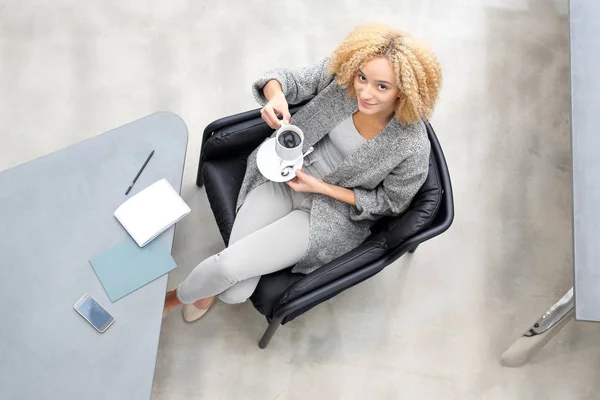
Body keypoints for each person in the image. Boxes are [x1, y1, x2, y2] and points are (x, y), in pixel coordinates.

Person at [163, 22, 442, 321]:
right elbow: (282, 79)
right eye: (363, 77)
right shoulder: (343, 78)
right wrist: (276, 96)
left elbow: (390, 203)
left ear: (405, 92)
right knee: (233, 287)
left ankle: (172, 299)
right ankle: (177, 298)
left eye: (382, 87)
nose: (365, 91)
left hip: (328, 214)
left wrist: (322, 188)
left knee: (233, 289)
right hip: (281, 174)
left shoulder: (411, 145)